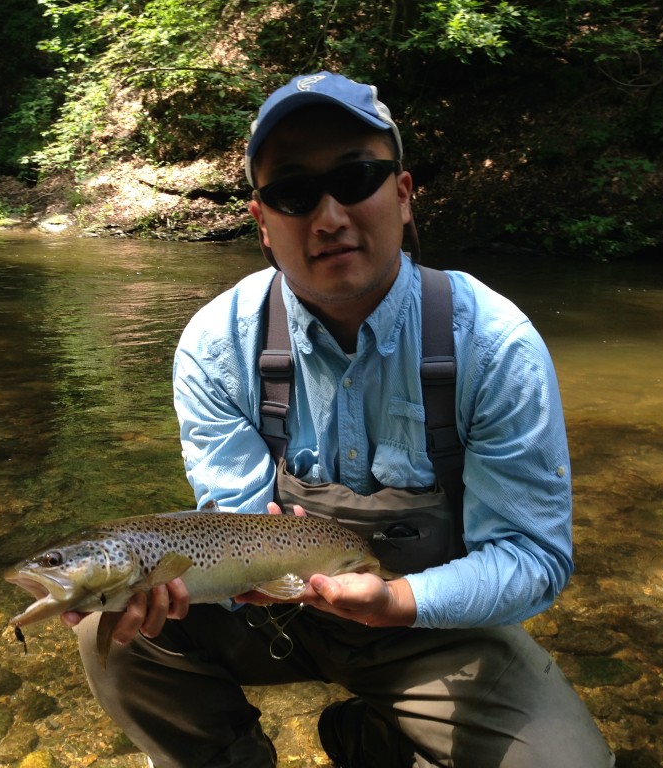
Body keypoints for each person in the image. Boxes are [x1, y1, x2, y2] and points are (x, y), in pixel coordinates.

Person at [65, 72, 615, 768]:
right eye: (294, 193)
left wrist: (397, 599)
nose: (328, 216)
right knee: (114, 636)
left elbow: (534, 559)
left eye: (356, 178)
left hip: (428, 621)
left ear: (404, 194)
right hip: (273, 611)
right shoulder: (216, 344)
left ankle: (374, 738)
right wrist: (169, 585)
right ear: (262, 222)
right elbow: (227, 525)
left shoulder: (493, 344)